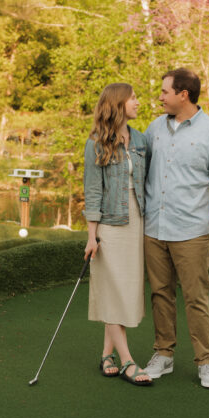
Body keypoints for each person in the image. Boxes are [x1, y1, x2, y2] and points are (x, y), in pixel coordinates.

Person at [143, 69, 209, 389]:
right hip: (154, 227)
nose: (160, 96)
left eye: (165, 91)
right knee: (160, 294)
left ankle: (206, 362)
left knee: (196, 298)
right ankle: (163, 354)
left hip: (191, 230)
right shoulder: (154, 127)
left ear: (184, 94)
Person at [83, 83, 152, 386]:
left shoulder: (140, 139)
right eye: (133, 98)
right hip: (110, 226)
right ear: (118, 104)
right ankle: (127, 361)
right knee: (114, 290)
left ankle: (105, 355)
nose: (138, 102)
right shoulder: (96, 142)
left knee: (124, 289)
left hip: (136, 223)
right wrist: (91, 236)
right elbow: (93, 191)